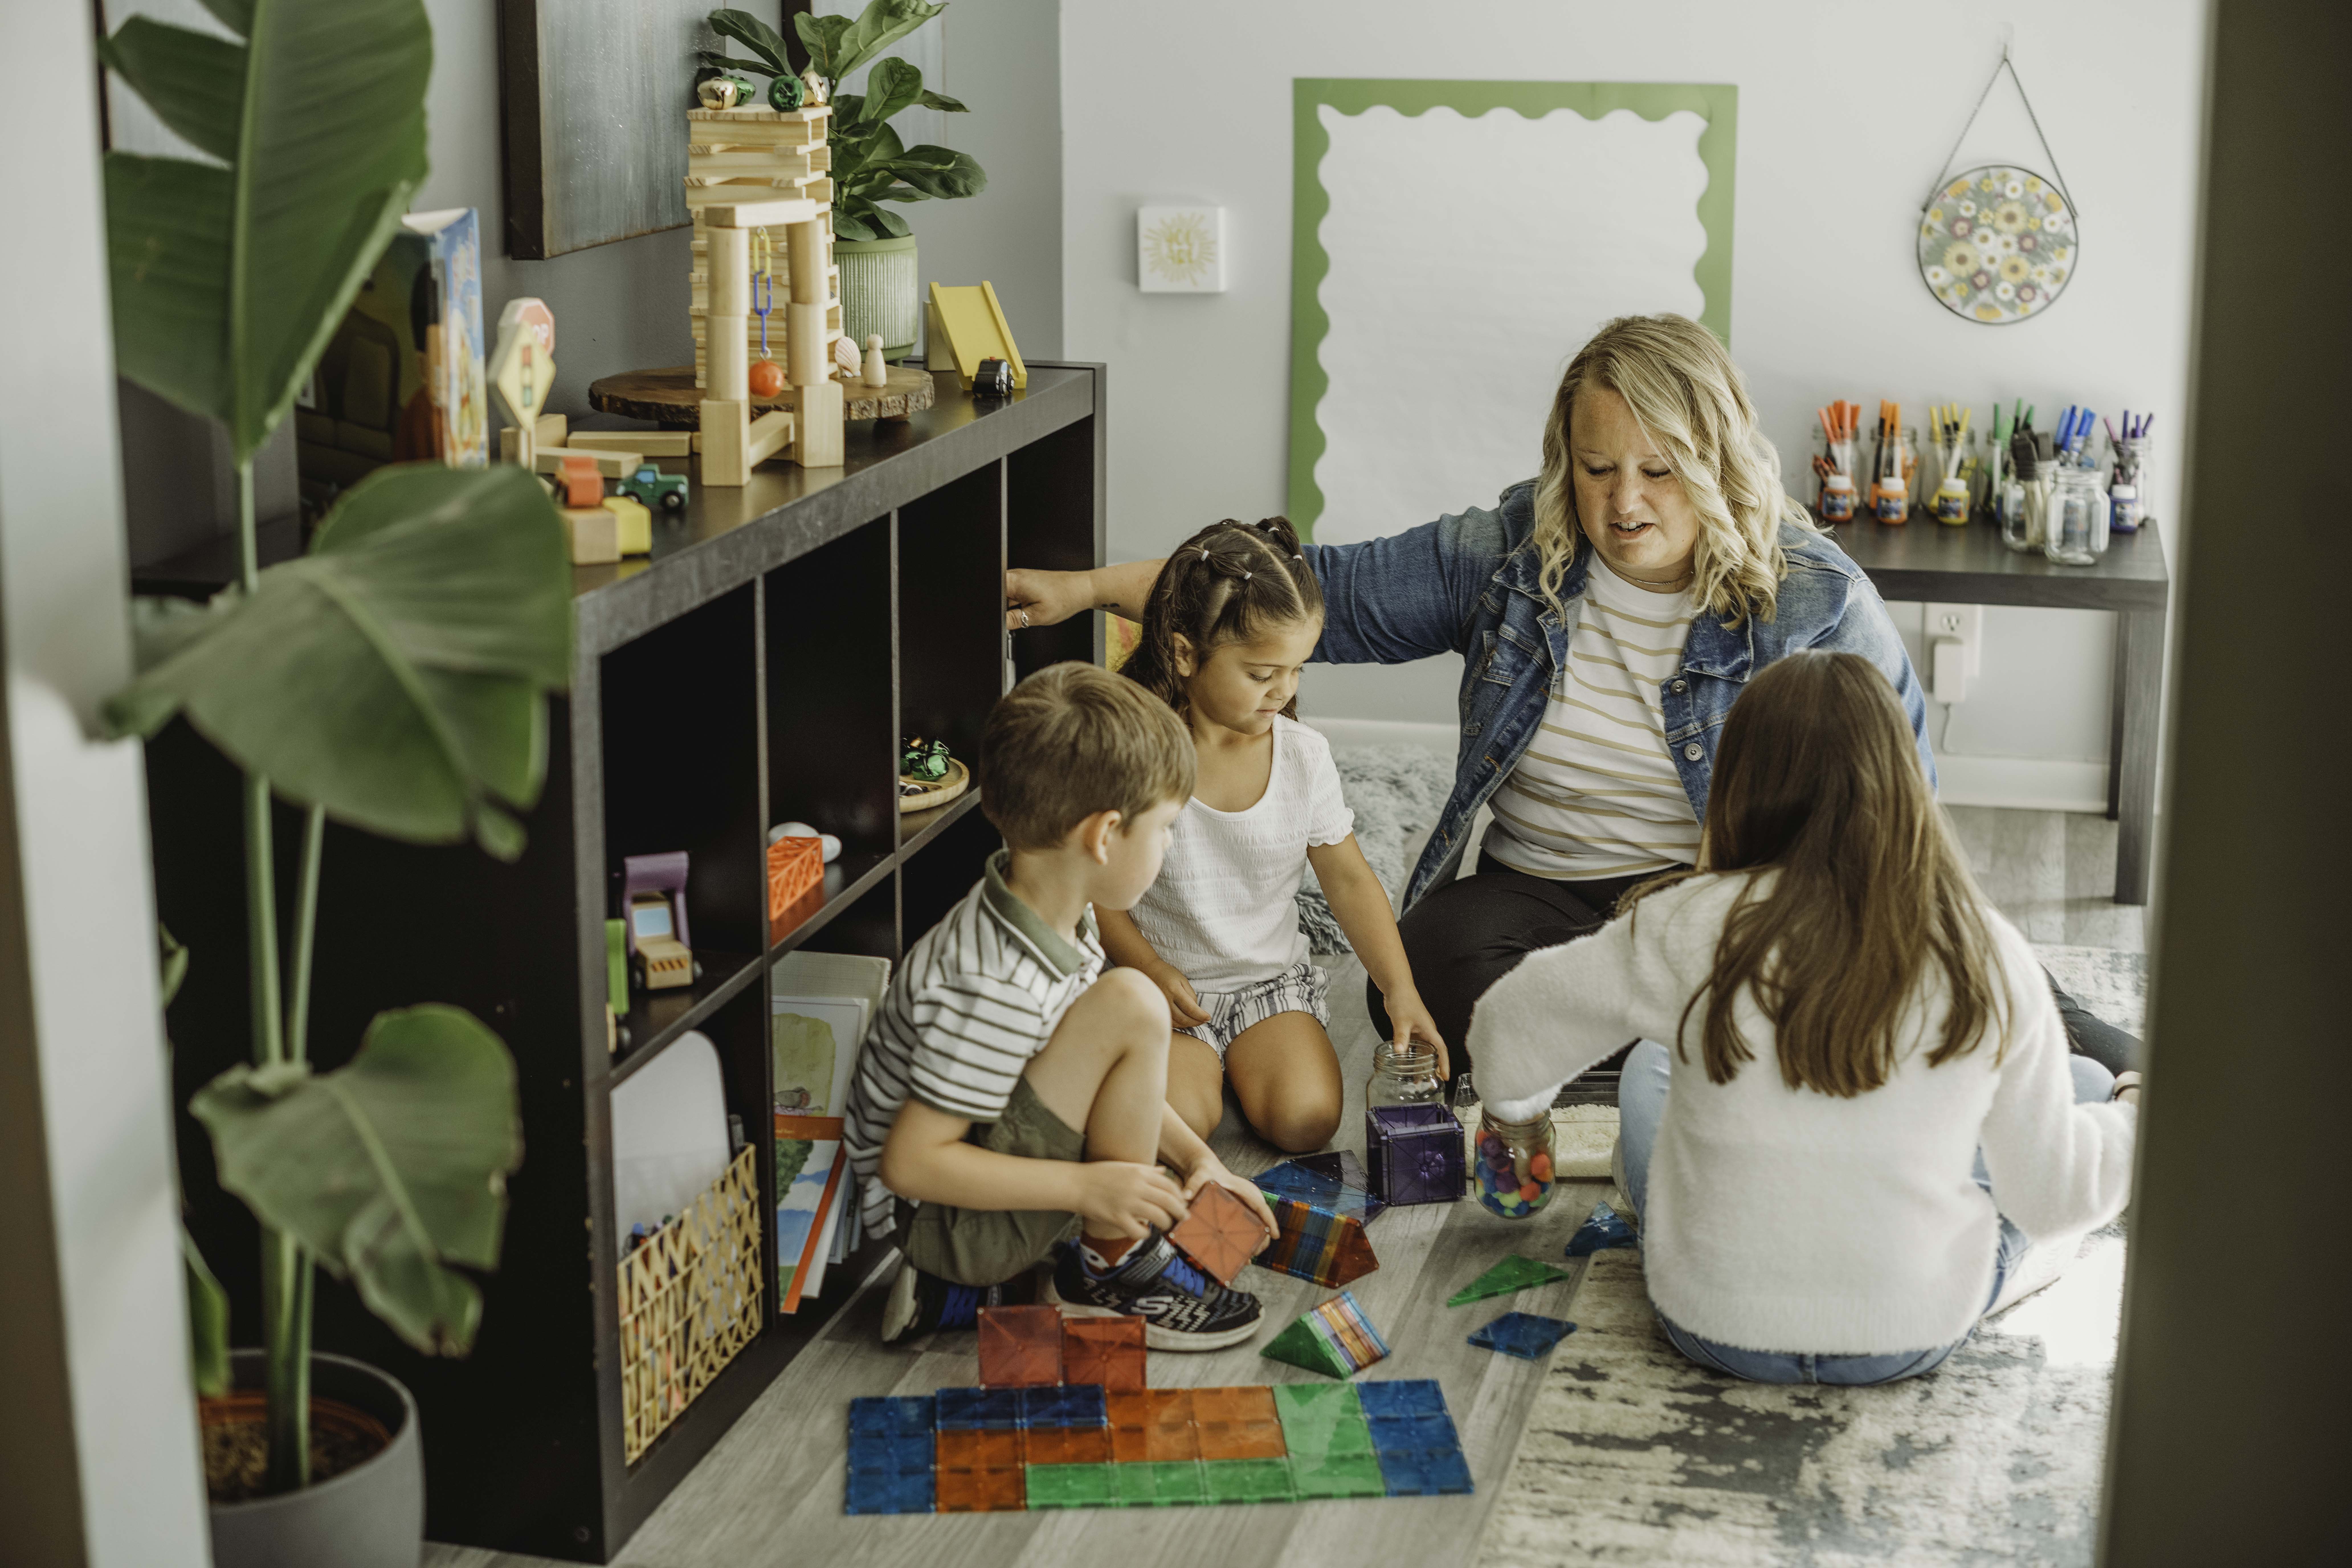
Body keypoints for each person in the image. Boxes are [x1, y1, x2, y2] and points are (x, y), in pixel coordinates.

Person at [1004, 313, 2141, 1088]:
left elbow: (1899, 830)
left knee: (1908, 953)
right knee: (1440, 977)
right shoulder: (1511, 552)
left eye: (1659, 469)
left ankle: (2093, 1050)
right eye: (1598, 468)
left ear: (1717, 457)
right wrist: (1093, 586)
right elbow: (1300, 591)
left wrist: (1712, 896)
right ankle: (1696, 1045)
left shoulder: (1814, 605)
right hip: (1542, 890)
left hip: (1726, 898)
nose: (1625, 500)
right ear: (1565, 461)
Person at [1466, 650, 2140, 1384]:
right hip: (1907, 1333)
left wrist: (1517, 1118)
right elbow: (2055, 1194)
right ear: (1903, 781)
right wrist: (2137, 1118)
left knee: (1648, 1067)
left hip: (1712, 1323)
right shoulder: (1983, 947)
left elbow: (1508, 1030)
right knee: (2081, 1085)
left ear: (1738, 784)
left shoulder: (1682, 925)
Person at [844, 662, 1277, 1348]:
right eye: (1166, 828)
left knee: (1127, 1008)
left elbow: (1101, 1071)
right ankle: (1106, 1268)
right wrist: (1091, 1192)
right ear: (1104, 836)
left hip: (965, 1193)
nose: (1169, 845)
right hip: (941, 1222)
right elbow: (910, 1163)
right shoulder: (992, 983)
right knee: (1134, 1000)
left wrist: (1201, 1162)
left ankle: (1000, 1282)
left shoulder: (1051, 913)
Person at [1100, 516, 1447, 1153]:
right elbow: (1095, 896)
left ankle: (1250, 1062)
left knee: (1307, 1120)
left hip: (1268, 985)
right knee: (1170, 1128)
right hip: (1164, 986)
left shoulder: (1303, 756)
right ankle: (1207, 1070)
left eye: (1297, 671)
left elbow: (1347, 878)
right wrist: (1147, 967)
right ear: (1185, 654)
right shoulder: (1136, 757)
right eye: (1262, 674)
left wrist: (1401, 990)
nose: (1283, 691)